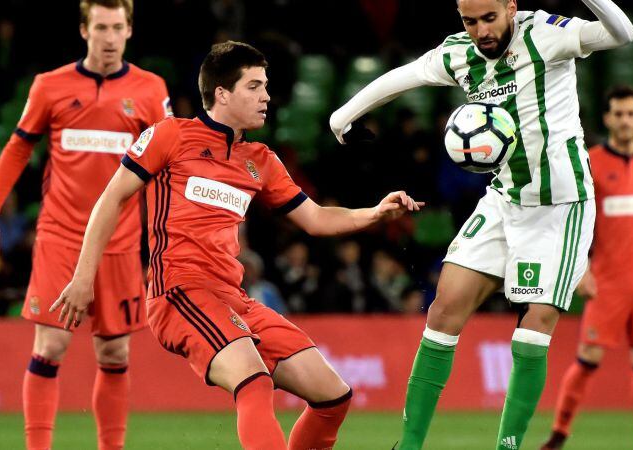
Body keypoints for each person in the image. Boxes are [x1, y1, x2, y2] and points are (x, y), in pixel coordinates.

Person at [51, 41, 423, 450]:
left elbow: (315, 218)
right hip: (179, 292)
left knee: (333, 396)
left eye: (266, 86)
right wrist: (83, 277)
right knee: (254, 381)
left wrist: (374, 213)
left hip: (234, 300)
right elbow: (110, 199)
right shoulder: (170, 135)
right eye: (254, 86)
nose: (266, 96)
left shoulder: (260, 160)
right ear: (222, 93)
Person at [329, 0, 633, 448]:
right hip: (504, 199)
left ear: (511, 7)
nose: (481, 31)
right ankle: (408, 445)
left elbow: (622, 33)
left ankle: (507, 447)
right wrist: (342, 116)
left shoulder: (546, 35)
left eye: (489, 18)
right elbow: (405, 75)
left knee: (533, 325)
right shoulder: (460, 53)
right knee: (443, 309)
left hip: (560, 206)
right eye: (469, 21)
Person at [0, 1, 172, 449]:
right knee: (50, 347)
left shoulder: (149, 89)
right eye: (100, 27)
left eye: (117, 27)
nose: (109, 38)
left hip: (121, 242)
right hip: (60, 236)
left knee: (114, 351)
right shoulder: (50, 86)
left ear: (129, 31)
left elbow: (168, 164)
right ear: (84, 30)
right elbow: (18, 148)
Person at [541, 87, 633, 450]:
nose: (625, 120)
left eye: (631, 114)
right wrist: (581, 269)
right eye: (618, 114)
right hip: (607, 282)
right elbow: (577, 222)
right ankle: (558, 433)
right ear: (607, 118)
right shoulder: (591, 163)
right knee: (588, 358)